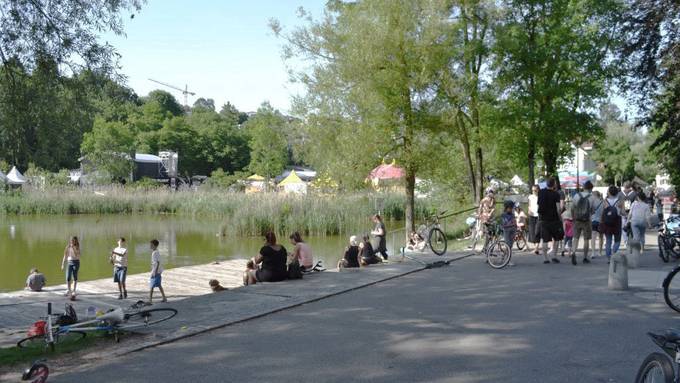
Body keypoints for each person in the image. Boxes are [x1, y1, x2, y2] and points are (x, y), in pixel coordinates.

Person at [538, 178, 563, 264]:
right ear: (554, 184)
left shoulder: (541, 193)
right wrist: (560, 218)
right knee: (556, 238)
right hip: (554, 219)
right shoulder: (556, 194)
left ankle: (545, 258)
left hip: (544, 219)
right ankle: (554, 256)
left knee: (545, 240)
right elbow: (558, 208)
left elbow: (539, 205)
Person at [571, 180, 595, 264]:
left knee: (576, 238)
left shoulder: (576, 195)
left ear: (584, 187)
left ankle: (573, 252)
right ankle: (585, 257)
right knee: (586, 239)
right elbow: (592, 210)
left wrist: (573, 217)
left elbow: (572, 208)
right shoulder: (591, 197)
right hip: (586, 221)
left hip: (577, 220)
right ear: (591, 188)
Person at [600, 186, 624, 261]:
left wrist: (601, 221)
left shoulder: (605, 201)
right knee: (617, 240)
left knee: (608, 240)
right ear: (617, 193)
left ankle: (608, 257)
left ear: (609, 192)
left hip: (607, 222)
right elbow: (623, 212)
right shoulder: (620, 201)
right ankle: (614, 252)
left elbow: (602, 213)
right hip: (617, 221)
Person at [149, 239, 167, 303]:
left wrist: (155, 272)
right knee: (159, 285)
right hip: (157, 271)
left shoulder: (155, 253)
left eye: (151, 245)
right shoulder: (156, 252)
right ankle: (164, 298)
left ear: (154, 245)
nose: (150, 246)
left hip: (156, 271)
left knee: (151, 286)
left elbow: (158, 263)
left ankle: (150, 300)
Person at [590, 190, 605, 258]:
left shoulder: (592, 203)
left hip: (593, 221)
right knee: (601, 237)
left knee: (593, 237)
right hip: (601, 221)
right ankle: (600, 252)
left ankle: (593, 252)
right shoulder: (603, 202)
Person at [527, 185, 541, 254]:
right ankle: (536, 248)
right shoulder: (530, 197)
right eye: (532, 190)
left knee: (537, 231)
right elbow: (529, 205)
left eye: (535, 190)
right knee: (532, 231)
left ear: (538, 190)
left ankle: (536, 248)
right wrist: (529, 210)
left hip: (538, 215)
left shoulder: (541, 197)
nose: (533, 192)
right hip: (532, 215)